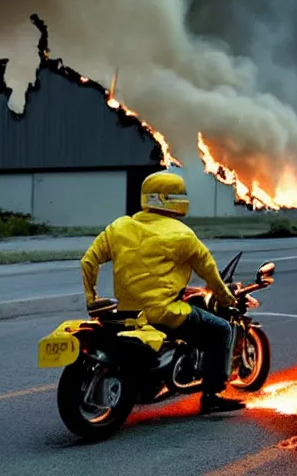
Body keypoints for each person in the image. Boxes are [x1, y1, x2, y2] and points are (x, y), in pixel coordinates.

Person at [80, 170, 246, 413]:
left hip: (127, 313)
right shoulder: (183, 235)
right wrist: (225, 296)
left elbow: (88, 262)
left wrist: (91, 298)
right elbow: (209, 271)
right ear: (174, 199)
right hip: (164, 313)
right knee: (220, 329)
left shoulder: (119, 226)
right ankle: (212, 395)